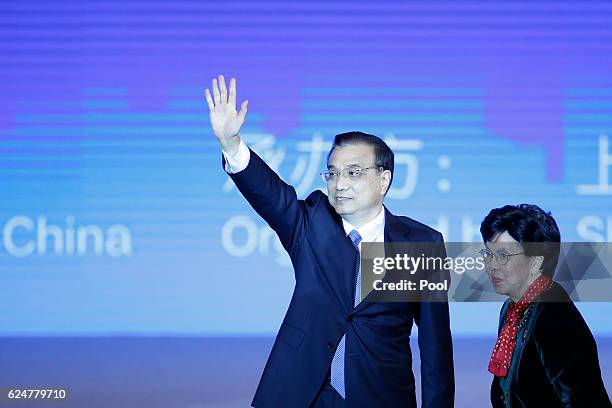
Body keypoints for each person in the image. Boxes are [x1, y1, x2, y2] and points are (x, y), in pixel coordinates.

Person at [205, 75, 454, 407]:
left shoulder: (421, 243)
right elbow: (270, 195)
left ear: (384, 180)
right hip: (303, 395)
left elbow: (436, 348)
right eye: (332, 172)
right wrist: (231, 144)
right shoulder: (313, 222)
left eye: (353, 173)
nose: (339, 184)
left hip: (380, 396)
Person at [480, 204, 611, 407]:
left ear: (535, 263)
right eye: (488, 254)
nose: (491, 265)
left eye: (503, 256)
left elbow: (584, 401)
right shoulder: (513, 308)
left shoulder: (553, 314)